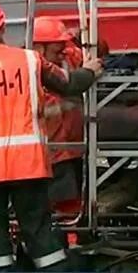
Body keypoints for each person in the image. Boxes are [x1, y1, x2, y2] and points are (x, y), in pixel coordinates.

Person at [0, 0, 103, 271]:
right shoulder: (31, 60)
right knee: (41, 235)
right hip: (28, 166)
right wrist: (90, 71)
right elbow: (68, 85)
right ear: (3, 25)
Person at [31, 17, 85, 213]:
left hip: (74, 149)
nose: (62, 53)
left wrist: (83, 35)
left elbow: (93, 53)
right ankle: (66, 241)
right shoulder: (31, 71)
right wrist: (64, 106)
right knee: (60, 207)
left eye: (64, 46)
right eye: (57, 49)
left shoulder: (68, 58)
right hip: (52, 153)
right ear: (38, 49)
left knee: (75, 202)